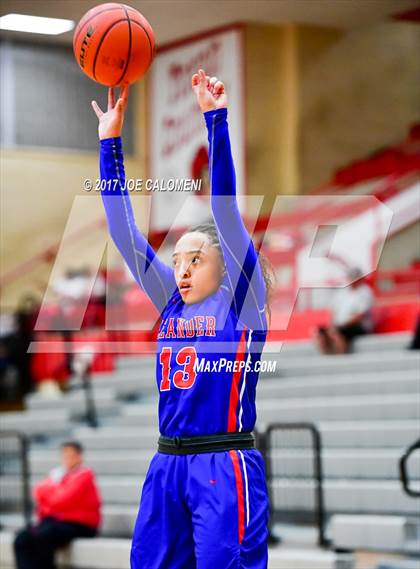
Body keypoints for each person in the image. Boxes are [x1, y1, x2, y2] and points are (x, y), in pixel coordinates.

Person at [91, 69, 271, 568]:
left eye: (196, 258)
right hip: (167, 463)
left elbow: (225, 209)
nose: (183, 267)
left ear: (226, 263)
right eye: (178, 260)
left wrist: (215, 119)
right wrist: (110, 145)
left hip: (223, 461)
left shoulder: (244, 303)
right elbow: (124, 233)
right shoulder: (172, 302)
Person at [14, 441, 101, 569]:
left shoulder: (85, 475)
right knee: (22, 538)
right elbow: (38, 492)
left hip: (80, 525)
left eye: (71, 456)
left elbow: (60, 500)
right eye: (65, 456)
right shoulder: (60, 475)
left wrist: (51, 492)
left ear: (79, 457)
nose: (67, 459)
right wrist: (53, 492)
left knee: (43, 537)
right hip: (57, 522)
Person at [316, 267, 374, 354]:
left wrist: (338, 326)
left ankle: (340, 358)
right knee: (320, 333)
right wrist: (333, 326)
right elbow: (334, 312)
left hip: (358, 326)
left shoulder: (365, 292)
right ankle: (327, 357)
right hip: (341, 325)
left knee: (338, 332)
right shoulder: (342, 292)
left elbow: (359, 317)